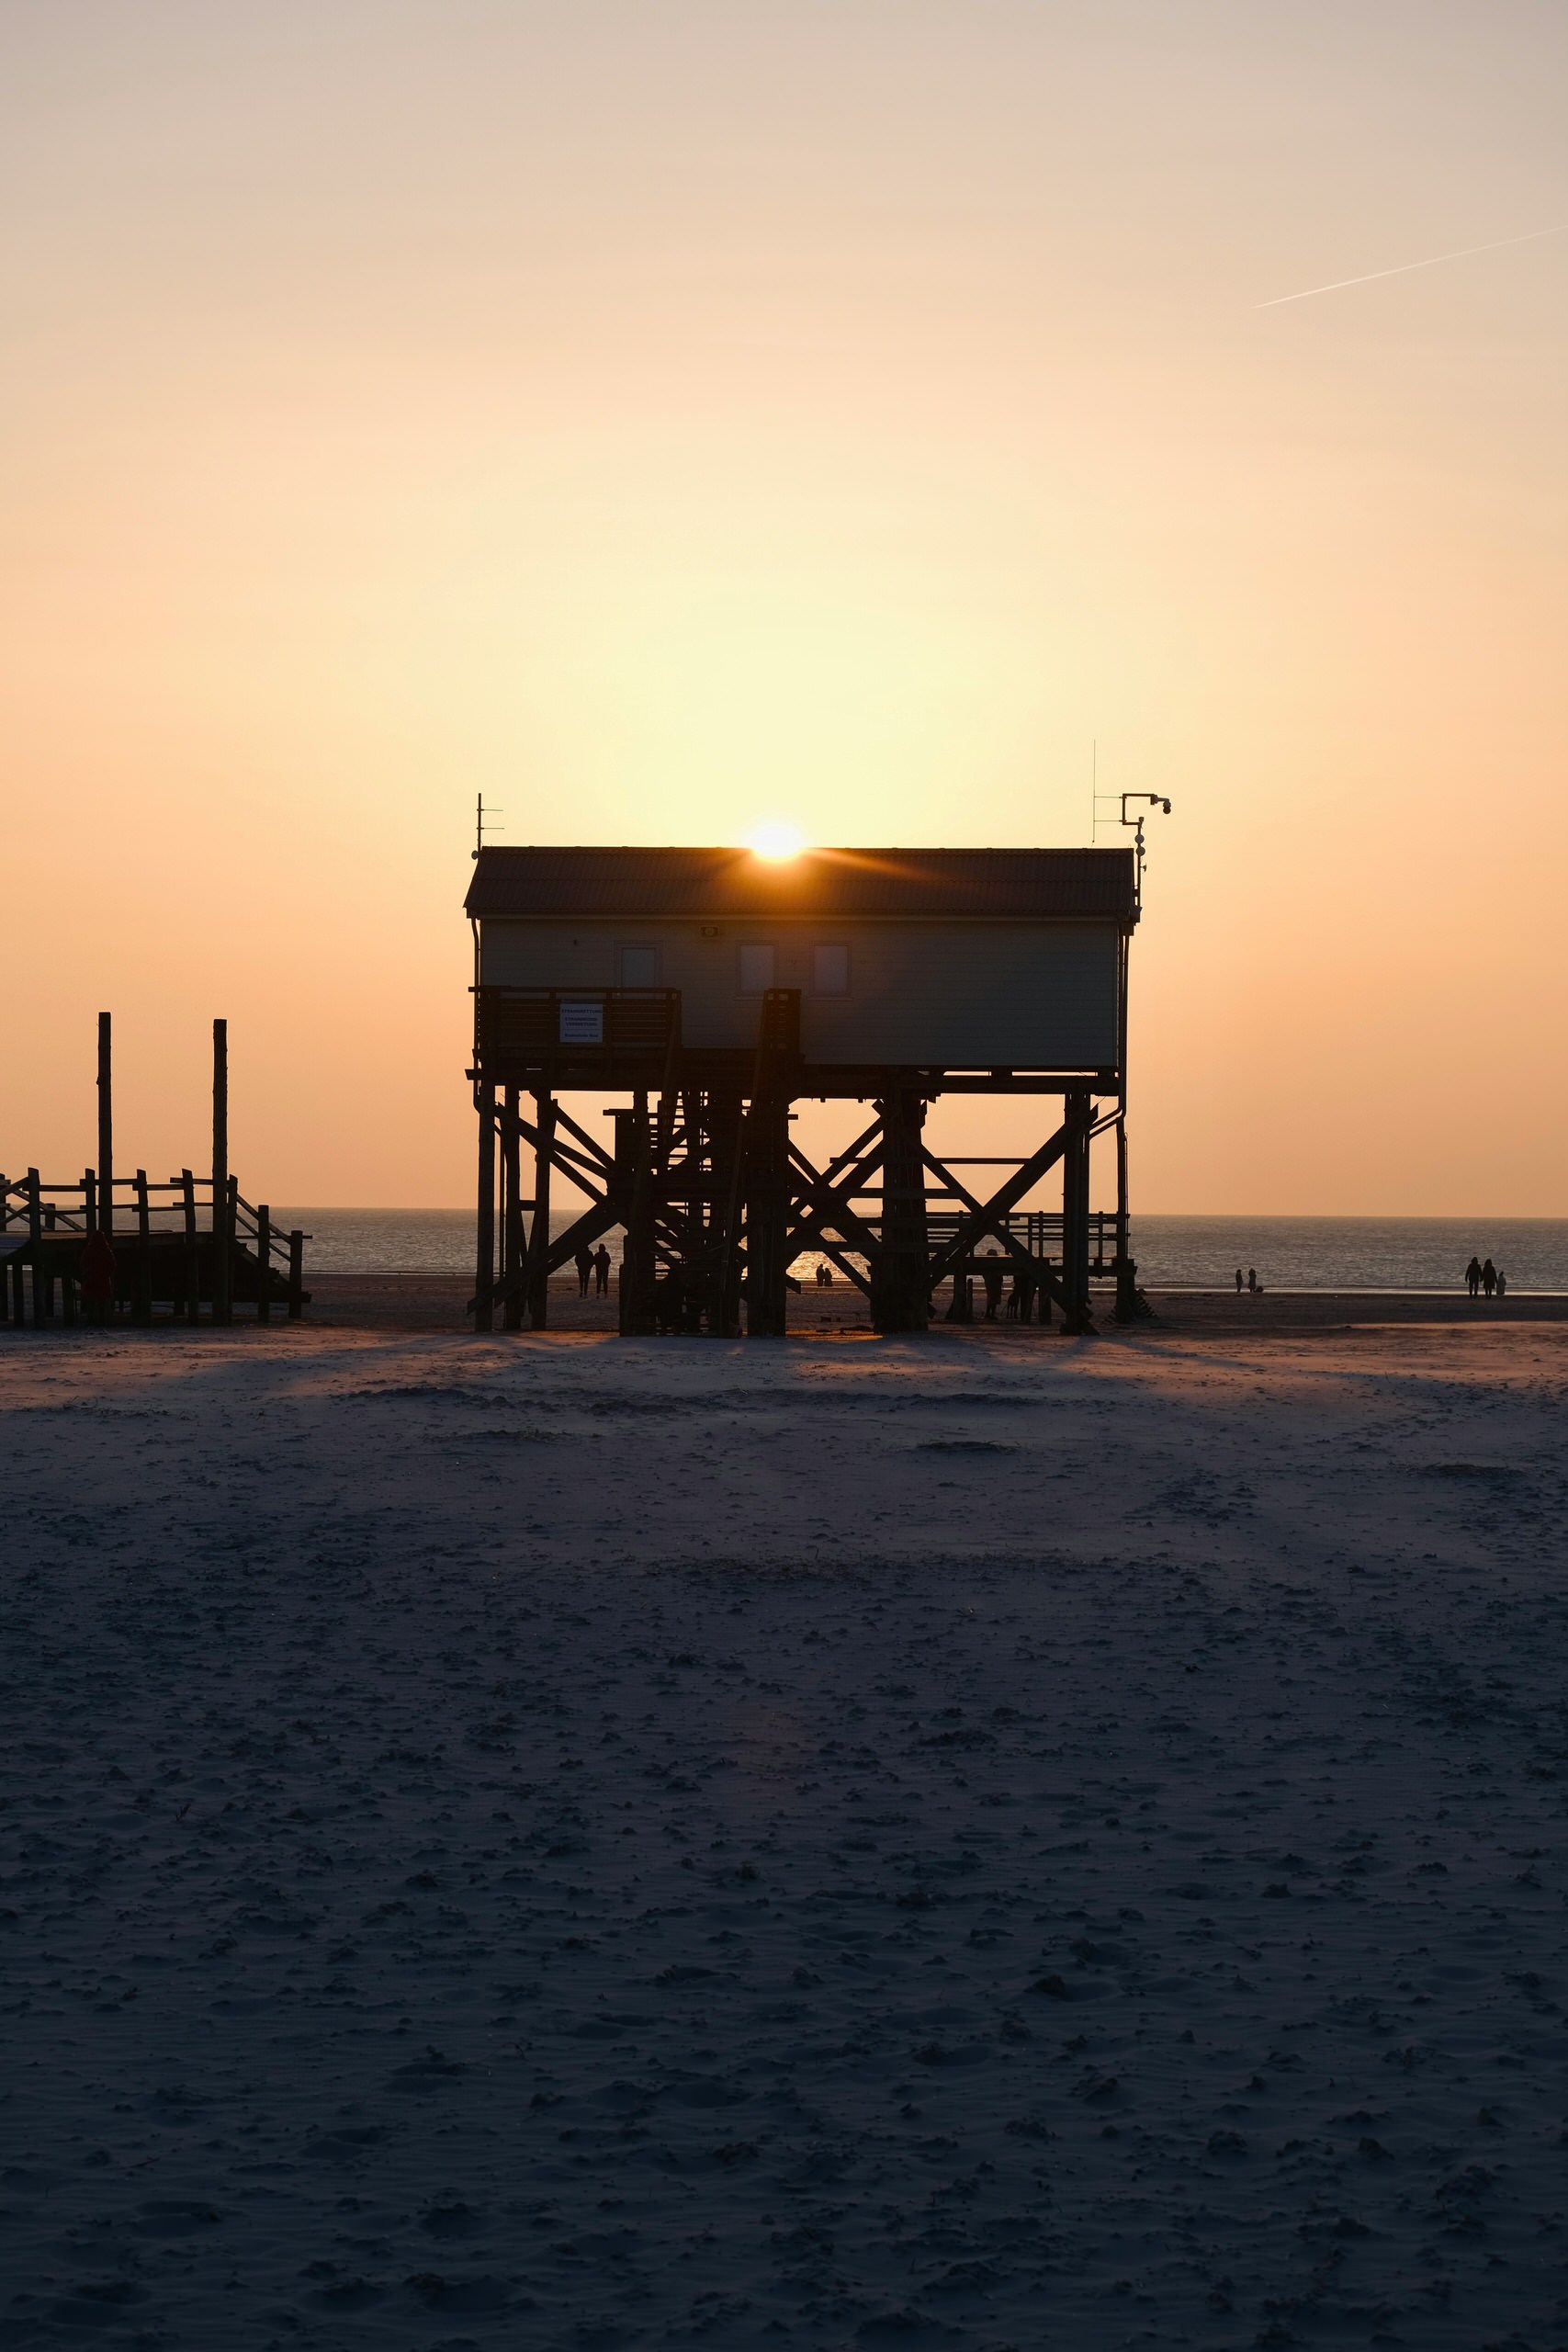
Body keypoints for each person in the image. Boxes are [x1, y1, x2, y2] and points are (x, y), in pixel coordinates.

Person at [981, 1250, 1004, 1321]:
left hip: (991, 1282)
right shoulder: (994, 1263)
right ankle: (990, 1314)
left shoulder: (986, 1263)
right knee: (993, 1298)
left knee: (991, 1297)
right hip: (993, 1282)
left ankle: (989, 1313)